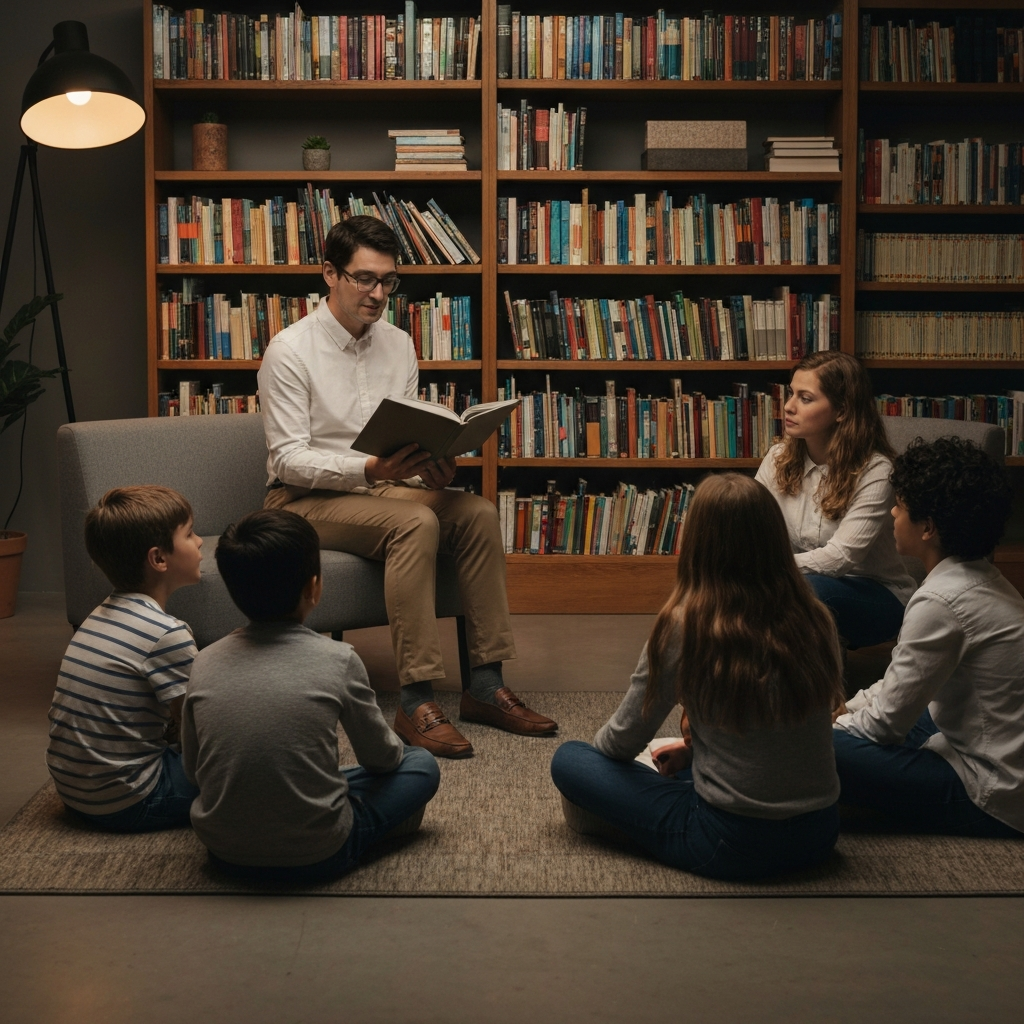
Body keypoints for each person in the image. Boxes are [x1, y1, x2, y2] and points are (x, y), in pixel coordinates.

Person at [257, 215, 556, 758]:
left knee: (476, 512)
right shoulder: (290, 350)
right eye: (364, 279)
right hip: (302, 499)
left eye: (388, 281)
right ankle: (416, 700)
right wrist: (374, 471)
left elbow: (403, 436)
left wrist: (428, 467)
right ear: (330, 274)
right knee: (416, 522)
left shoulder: (398, 344)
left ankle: (485, 685)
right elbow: (289, 460)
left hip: (381, 490)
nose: (378, 294)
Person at [550, 473, 845, 881]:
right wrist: (693, 752)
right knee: (683, 769)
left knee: (571, 760)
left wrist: (605, 765)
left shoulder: (684, 625)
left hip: (730, 842)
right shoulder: (816, 617)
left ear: (697, 544)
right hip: (819, 835)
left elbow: (620, 742)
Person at [181, 509, 441, 880]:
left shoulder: (203, 661)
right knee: (421, 765)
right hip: (320, 853)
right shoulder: (339, 659)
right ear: (314, 587)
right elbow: (382, 759)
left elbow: (193, 772)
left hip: (223, 853)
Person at [832, 437, 1024, 837]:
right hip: (991, 750)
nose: (892, 512)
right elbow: (902, 683)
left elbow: (884, 725)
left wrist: (830, 728)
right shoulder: (981, 578)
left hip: (992, 789)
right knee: (911, 711)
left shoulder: (941, 601)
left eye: (900, 506)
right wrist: (848, 707)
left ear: (928, 528)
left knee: (808, 749)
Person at [45, 486, 202, 832]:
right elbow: (198, 729)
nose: (200, 542)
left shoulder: (98, 614)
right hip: (130, 801)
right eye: (190, 534)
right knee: (247, 766)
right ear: (159, 559)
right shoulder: (167, 634)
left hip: (75, 792)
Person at [756, 350, 916, 651]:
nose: (788, 406)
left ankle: (808, 679)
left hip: (876, 594)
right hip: (793, 582)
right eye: (791, 393)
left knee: (803, 592)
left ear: (841, 411)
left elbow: (841, 558)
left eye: (805, 398)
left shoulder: (876, 471)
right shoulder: (778, 457)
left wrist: (768, 567)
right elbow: (751, 524)